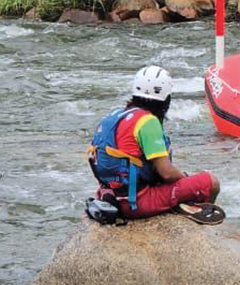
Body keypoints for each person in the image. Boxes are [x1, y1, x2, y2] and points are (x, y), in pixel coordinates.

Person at [88, 66, 223, 223]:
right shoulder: (148, 121)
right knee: (211, 182)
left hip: (111, 195)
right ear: (166, 98)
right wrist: (184, 178)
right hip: (137, 202)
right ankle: (201, 225)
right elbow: (166, 173)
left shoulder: (116, 115)